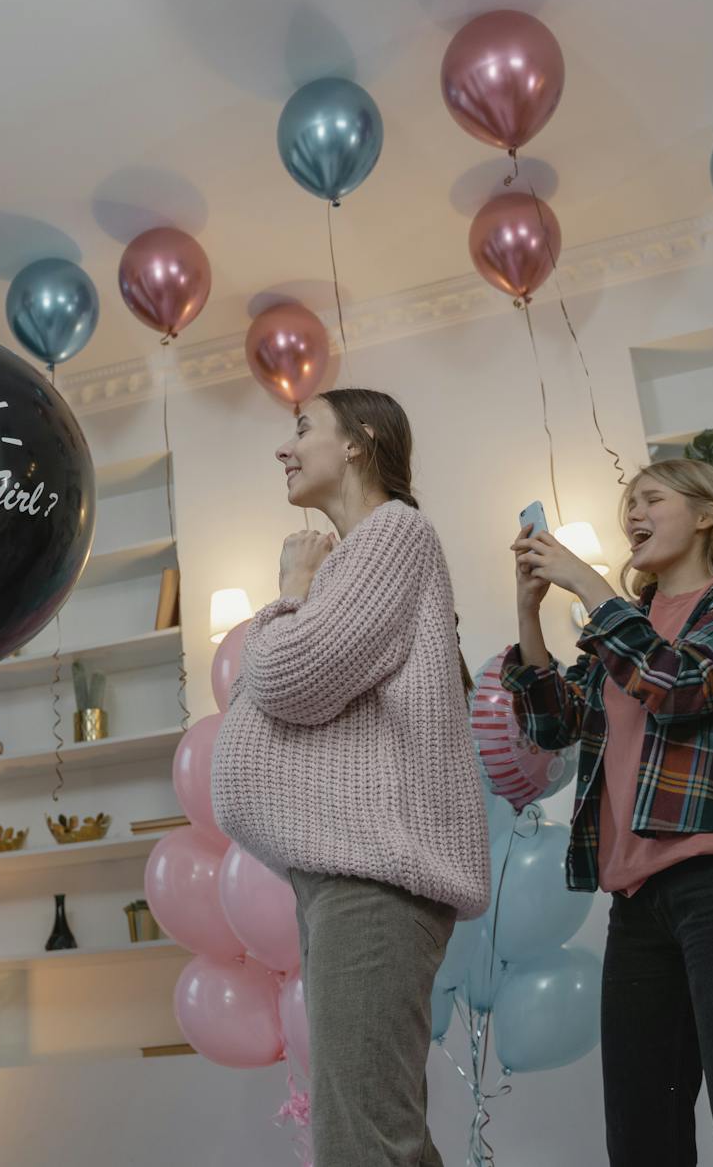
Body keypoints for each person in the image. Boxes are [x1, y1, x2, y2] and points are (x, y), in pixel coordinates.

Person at [503, 460, 713, 1167]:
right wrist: (528, 610)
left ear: (707, 514)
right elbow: (553, 725)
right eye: (629, 504)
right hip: (638, 903)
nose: (633, 514)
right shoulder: (626, 627)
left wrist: (590, 587)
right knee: (641, 1143)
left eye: (651, 498)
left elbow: (679, 684)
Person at [211, 388, 489, 1167]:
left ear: (360, 440)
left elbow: (289, 677)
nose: (285, 447)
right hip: (353, 877)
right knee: (376, 1131)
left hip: (375, 878)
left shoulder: (393, 532)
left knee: (362, 1139)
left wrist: (291, 588)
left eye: (303, 428)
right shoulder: (365, 553)